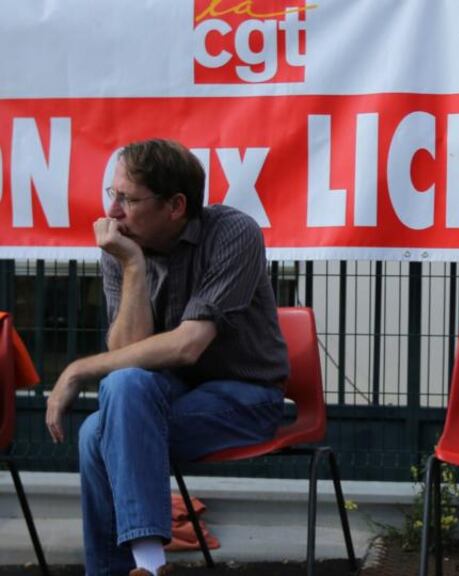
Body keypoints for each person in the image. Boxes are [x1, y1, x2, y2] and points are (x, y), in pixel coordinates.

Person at [45, 139, 289, 576]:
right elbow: (126, 359)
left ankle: (134, 568)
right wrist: (134, 267)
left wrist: (77, 369)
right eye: (112, 194)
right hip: (167, 393)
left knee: (95, 436)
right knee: (122, 386)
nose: (113, 212)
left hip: (246, 398)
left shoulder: (233, 232)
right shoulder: (123, 247)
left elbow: (188, 345)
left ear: (175, 206)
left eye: (128, 199)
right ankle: (149, 565)